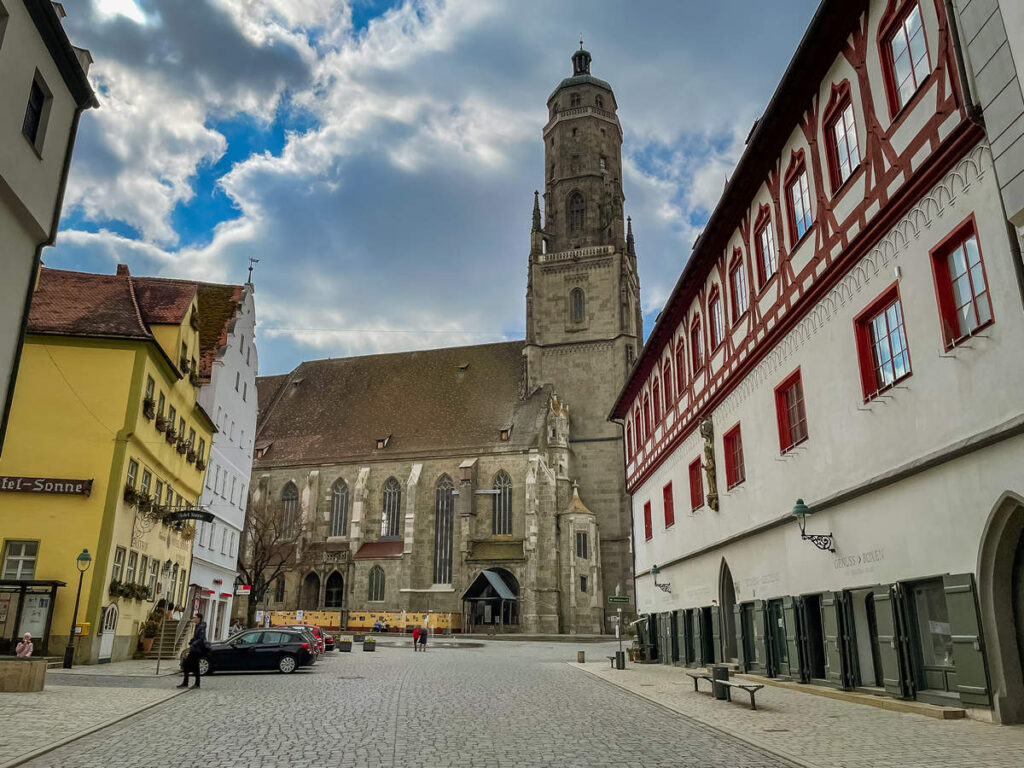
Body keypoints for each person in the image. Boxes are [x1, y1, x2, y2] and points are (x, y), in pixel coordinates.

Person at [178, 613, 209, 689]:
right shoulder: (197, 626)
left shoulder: (201, 627)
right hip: (194, 649)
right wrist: (192, 641)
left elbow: (201, 639)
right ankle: (188, 683)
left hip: (197, 650)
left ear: (199, 618)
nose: (194, 619)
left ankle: (195, 684)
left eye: (195, 617)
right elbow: (196, 637)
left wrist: (193, 643)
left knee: (193, 666)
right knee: (188, 665)